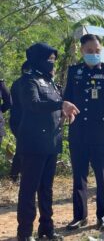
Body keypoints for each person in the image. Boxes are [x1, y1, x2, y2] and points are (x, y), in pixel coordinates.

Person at [16, 43, 79, 241]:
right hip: (33, 144)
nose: (51, 63)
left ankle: (47, 229)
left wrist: (63, 112)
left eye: (53, 59)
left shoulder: (50, 81)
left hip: (51, 142)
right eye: (48, 59)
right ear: (37, 59)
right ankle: (24, 233)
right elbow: (33, 104)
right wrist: (61, 104)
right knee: (29, 189)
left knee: (47, 189)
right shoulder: (28, 81)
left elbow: (52, 107)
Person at [64, 34, 104, 231]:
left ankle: (103, 217)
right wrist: (65, 114)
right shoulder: (74, 72)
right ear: (82, 51)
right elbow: (67, 100)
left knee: (103, 178)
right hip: (79, 131)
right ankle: (79, 216)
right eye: (89, 51)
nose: (94, 54)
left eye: (97, 51)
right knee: (79, 176)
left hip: (102, 132)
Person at [9, 61, 31, 182]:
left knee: (22, 147)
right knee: (23, 149)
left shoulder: (17, 83)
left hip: (17, 120)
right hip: (21, 121)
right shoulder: (24, 83)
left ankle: (14, 175)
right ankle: (17, 175)